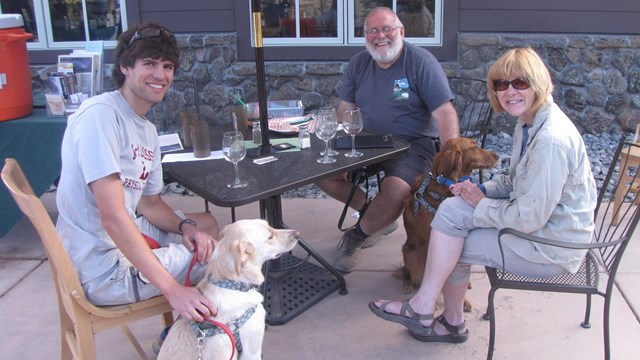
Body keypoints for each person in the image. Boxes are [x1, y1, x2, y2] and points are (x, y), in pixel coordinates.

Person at [368, 47, 597, 343]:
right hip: (537, 227)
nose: (509, 91)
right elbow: (516, 181)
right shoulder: (529, 122)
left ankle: (434, 314)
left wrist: (481, 204)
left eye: (520, 83)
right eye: (501, 84)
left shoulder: (550, 141)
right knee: (450, 211)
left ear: (538, 82)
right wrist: (480, 190)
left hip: (550, 245)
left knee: (451, 245)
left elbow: (528, 218)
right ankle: (435, 312)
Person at [55, 22, 220, 324]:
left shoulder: (147, 130)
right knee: (222, 260)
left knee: (205, 226)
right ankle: (191, 335)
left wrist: (186, 227)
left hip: (121, 241)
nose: (160, 75)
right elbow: (113, 217)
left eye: (167, 66)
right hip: (104, 270)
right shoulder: (100, 116)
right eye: (149, 64)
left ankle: (183, 327)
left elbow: (151, 204)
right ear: (125, 67)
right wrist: (172, 291)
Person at [316, 6, 459, 273]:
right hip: (364, 140)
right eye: (372, 30)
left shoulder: (420, 61)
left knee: (397, 190)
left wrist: (451, 159)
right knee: (319, 172)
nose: (380, 36)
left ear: (401, 31)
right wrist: (341, 147)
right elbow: (345, 109)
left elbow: (444, 113)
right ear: (365, 35)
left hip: (411, 144)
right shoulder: (359, 62)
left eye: (386, 29)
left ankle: (357, 236)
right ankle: (373, 213)